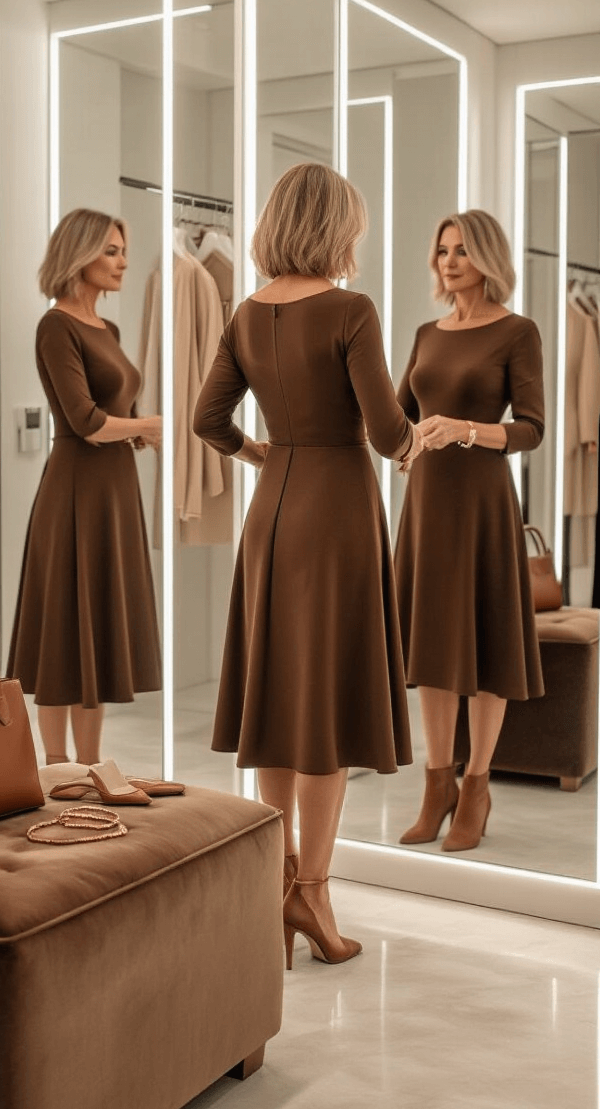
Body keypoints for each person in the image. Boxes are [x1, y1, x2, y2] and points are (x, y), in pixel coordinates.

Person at [193, 163, 422, 967]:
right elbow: (389, 433)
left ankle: (279, 882)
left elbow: (205, 418)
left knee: (284, 701)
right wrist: (435, 432)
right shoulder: (351, 309)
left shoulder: (246, 314)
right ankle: (312, 895)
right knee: (323, 710)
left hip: (274, 511)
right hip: (338, 512)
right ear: (337, 228)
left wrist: (263, 453)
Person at [395, 209, 544, 852]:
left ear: (487, 257)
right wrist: (399, 446)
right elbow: (398, 417)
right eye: (441, 250)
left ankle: (476, 786)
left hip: (483, 503)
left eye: (461, 250)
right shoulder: (428, 333)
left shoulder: (518, 331)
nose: (449, 261)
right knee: (430, 649)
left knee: (483, 650)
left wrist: (466, 430)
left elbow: (532, 427)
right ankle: (436, 783)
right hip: (427, 503)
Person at [7, 208, 162, 768]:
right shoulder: (56, 326)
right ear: (80, 256)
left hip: (115, 489)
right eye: (112, 251)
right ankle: (56, 769)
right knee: (65, 637)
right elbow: (86, 421)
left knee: (95, 632)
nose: (123, 262)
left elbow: (115, 409)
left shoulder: (110, 330)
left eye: (124, 250)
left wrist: (138, 431)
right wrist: (148, 426)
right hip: (75, 492)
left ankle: (91, 768)